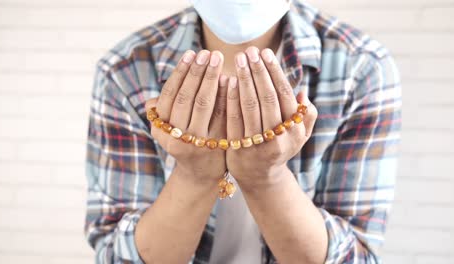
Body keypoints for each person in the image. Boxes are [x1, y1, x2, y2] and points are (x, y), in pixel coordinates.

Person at [84, 0, 402, 263]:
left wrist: (267, 177)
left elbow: (356, 257)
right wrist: (195, 175)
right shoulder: (126, 69)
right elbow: (116, 255)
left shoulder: (360, 68)